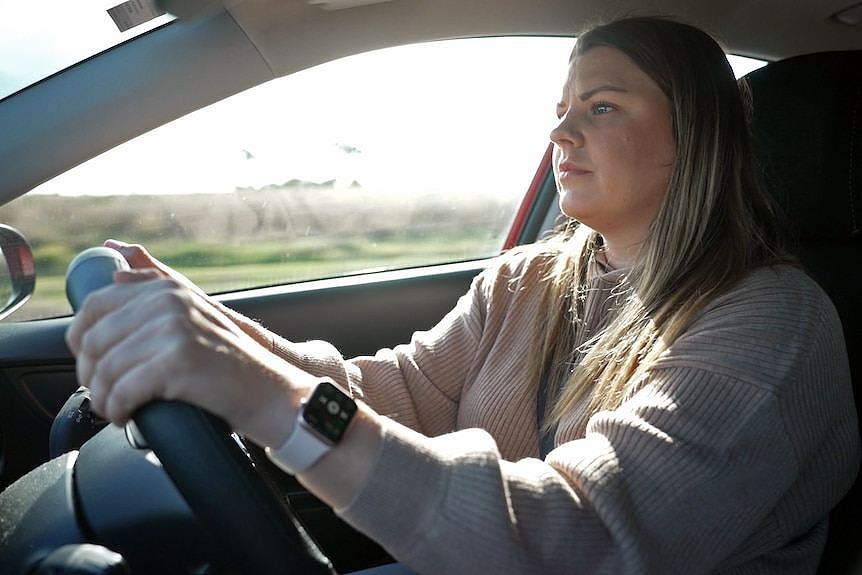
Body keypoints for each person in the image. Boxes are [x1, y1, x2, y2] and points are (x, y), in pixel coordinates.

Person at [66, 16, 860, 574]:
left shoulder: (773, 325)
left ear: (697, 134)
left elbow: (581, 536)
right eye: (561, 111)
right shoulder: (528, 281)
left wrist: (267, 398)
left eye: (603, 106)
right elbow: (393, 395)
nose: (560, 134)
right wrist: (216, 334)